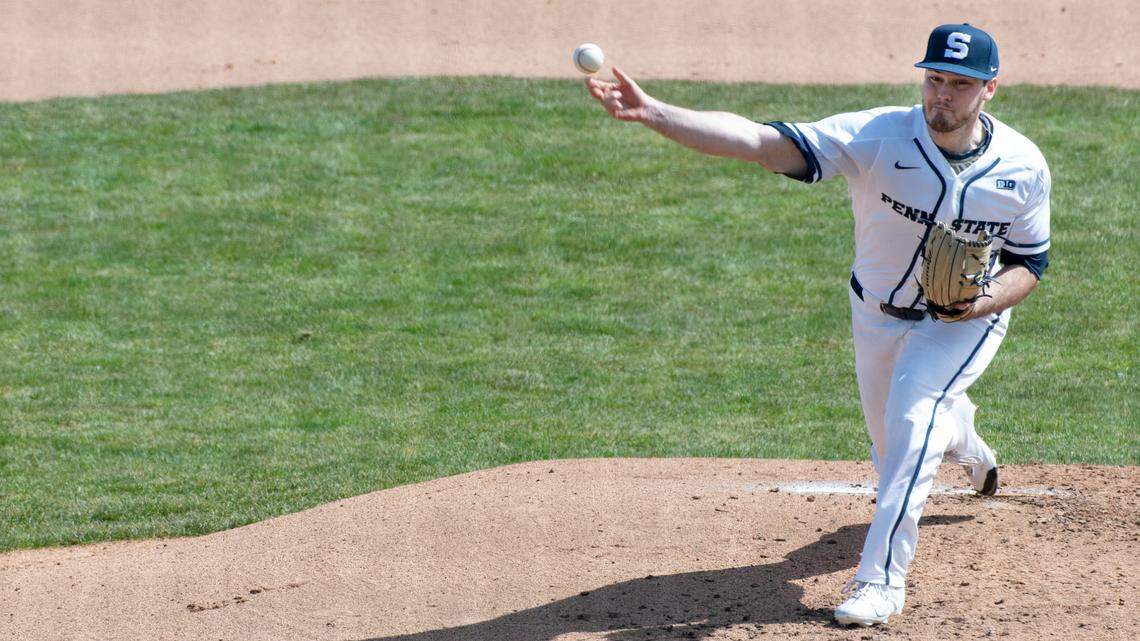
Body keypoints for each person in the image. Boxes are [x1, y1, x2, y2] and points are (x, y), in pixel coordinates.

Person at [585, 23, 1050, 627]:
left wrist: (980, 301)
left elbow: (1030, 263)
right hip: (876, 318)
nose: (942, 95)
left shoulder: (1022, 166)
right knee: (896, 450)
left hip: (964, 324)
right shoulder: (880, 135)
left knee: (912, 421)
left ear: (989, 88)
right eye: (934, 79)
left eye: (959, 84)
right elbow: (759, 141)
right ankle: (966, 441)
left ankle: (880, 581)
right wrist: (656, 113)